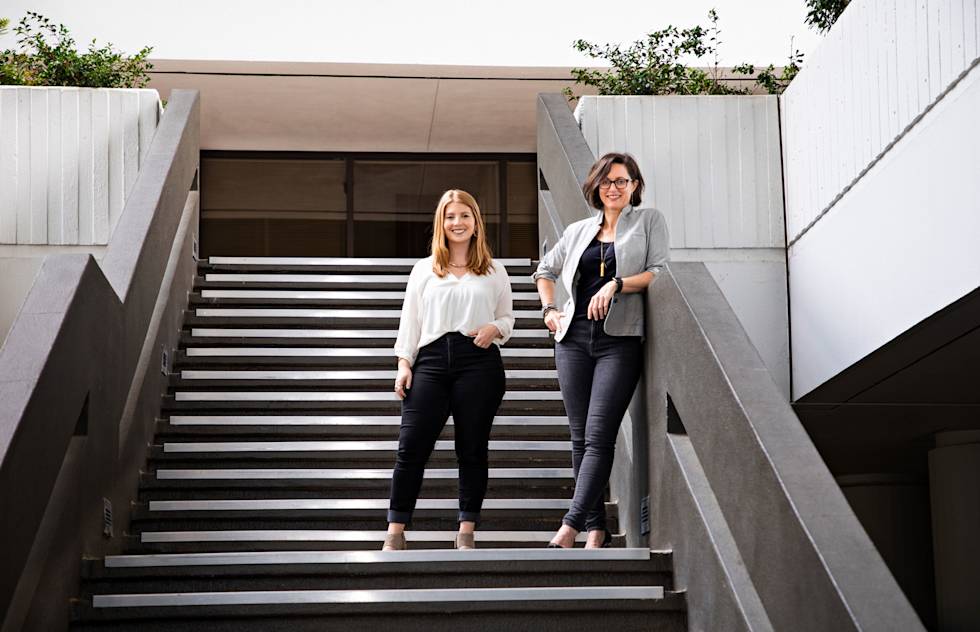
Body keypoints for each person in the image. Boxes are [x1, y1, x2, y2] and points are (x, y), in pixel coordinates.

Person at [533, 152, 669, 549]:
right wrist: (549, 310)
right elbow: (545, 270)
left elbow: (659, 270)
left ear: (635, 186)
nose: (614, 188)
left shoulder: (648, 222)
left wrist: (617, 284)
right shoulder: (578, 231)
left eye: (622, 181)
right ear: (596, 186)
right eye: (607, 181)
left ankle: (570, 525)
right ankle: (595, 528)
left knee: (599, 435)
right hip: (573, 339)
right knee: (580, 438)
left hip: (619, 340)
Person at [383, 189, 514, 551]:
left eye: (464, 216)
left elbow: (507, 317)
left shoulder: (494, 270)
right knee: (411, 447)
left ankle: (466, 530)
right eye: (450, 217)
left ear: (476, 222)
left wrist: (495, 329)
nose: (458, 223)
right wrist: (403, 364)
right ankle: (395, 532)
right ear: (441, 223)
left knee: (472, 449)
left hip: (478, 361)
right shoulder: (424, 269)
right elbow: (410, 321)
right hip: (432, 361)